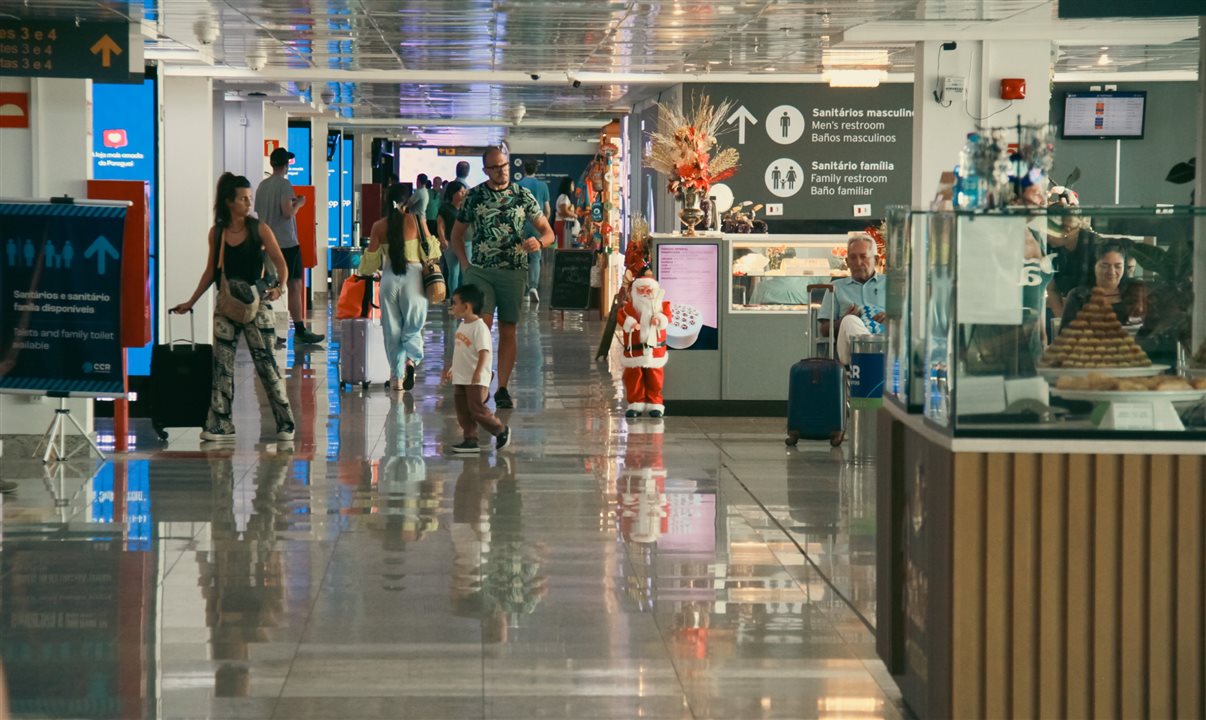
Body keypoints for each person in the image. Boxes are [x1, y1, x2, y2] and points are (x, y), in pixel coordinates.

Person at [172, 172, 295, 442]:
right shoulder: (217, 233)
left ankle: (285, 422)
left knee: (267, 365)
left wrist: (280, 287)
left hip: (257, 306)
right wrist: (191, 302)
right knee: (222, 366)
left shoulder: (259, 229)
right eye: (242, 199)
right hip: (226, 305)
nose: (248, 203)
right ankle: (221, 423)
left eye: (249, 198)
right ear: (229, 202)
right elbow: (210, 272)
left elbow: (281, 263)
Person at [451, 146, 555, 410]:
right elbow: (456, 235)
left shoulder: (522, 195)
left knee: (508, 329)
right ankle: (482, 382)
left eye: (505, 165)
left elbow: (548, 232)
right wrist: (466, 266)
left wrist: (539, 243)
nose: (502, 171)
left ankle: (503, 387)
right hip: (482, 271)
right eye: (495, 167)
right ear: (486, 170)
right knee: (482, 328)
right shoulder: (474, 196)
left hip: (513, 271)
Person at [366, 183, 440, 392]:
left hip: (389, 279)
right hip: (414, 278)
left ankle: (396, 377)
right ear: (408, 201)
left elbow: (370, 262)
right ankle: (411, 360)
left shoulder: (379, 226)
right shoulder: (416, 221)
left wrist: (367, 269)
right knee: (413, 325)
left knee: (392, 329)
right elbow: (432, 250)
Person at [254, 147, 324, 345]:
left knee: (268, 285)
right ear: (285, 166)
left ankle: (266, 329)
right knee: (294, 285)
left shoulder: (262, 186)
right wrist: (300, 203)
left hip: (267, 242)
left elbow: (260, 211)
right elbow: (287, 212)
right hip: (286, 243)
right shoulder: (285, 185)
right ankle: (300, 330)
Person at [442, 284, 511, 454]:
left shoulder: (480, 328)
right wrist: (451, 368)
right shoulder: (462, 326)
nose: (452, 306)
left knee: (476, 409)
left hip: (475, 379)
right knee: (462, 410)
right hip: (461, 377)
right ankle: (470, 439)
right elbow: (460, 351)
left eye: (455, 302)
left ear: (467, 306)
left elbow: (485, 353)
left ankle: (500, 430)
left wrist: (479, 372)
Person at [820, 234, 886, 366]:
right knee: (850, 321)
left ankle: (871, 359)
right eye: (853, 258)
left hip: (886, 344)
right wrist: (843, 320)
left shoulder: (892, 285)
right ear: (847, 262)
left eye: (863, 257)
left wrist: (894, 318)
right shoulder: (836, 287)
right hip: (852, 354)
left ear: (876, 260)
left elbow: (912, 321)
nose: (858, 262)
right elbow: (824, 330)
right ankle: (872, 359)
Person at [618, 271, 671, 418]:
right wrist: (631, 323)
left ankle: (655, 403)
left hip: (655, 350)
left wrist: (659, 319)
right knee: (634, 376)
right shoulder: (629, 308)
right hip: (634, 349)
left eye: (648, 290)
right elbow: (621, 317)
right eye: (641, 291)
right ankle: (635, 402)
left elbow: (667, 316)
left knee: (655, 376)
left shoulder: (662, 305)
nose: (645, 293)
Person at [1060, 243, 1146, 330]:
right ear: (1094, 266)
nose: (1111, 272)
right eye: (1105, 266)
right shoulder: (1079, 296)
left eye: (1118, 266)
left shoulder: (1136, 292)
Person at [515, 159, 551, 303]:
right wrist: (543, 224)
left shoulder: (517, 185)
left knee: (521, 256)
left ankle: (522, 289)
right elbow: (547, 209)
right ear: (536, 170)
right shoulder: (542, 186)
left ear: (524, 169)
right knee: (536, 257)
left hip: (521, 225)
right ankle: (533, 287)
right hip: (537, 224)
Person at [437, 180, 468, 294]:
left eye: (464, 191)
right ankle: (453, 298)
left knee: (465, 271)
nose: (463, 194)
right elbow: (440, 225)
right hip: (450, 243)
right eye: (460, 192)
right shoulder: (445, 208)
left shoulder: (467, 207)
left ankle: (464, 297)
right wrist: (443, 239)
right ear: (452, 193)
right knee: (453, 271)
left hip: (466, 243)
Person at [555, 176, 579, 248]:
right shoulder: (564, 197)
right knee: (563, 246)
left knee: (564, 245)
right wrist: (574, 215)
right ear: (568, 185)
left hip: (563, 224)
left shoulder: (564, 197)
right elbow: (564, 211)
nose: (573, 186)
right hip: (563, 224)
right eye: (572, 184)